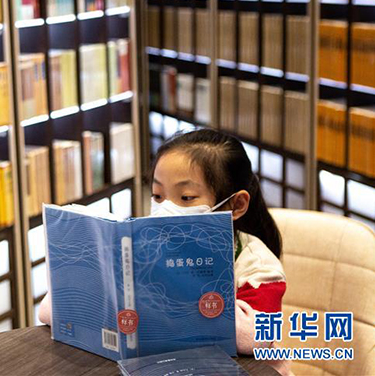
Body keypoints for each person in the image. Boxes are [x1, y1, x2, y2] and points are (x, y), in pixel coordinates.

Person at [37, 129, 292, 375]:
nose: (166, 209)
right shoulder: (139, 251)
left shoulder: (256, 264)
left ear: (236, 205)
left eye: (187, 197)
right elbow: (49, 311)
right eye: (158, 196)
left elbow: (259, 337)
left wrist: (176, 293)